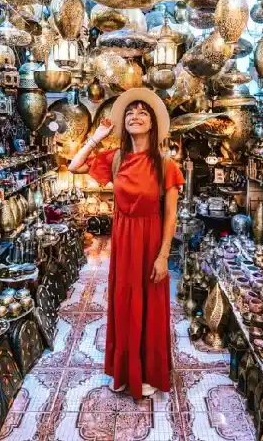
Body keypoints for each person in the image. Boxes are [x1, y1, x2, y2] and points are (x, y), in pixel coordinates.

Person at [68, 88, 184, 399]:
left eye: (142, 112)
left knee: (148, 307)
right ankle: (122, 370)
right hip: (123, 241)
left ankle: (146, 372)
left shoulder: (166, 165)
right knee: (123, 305)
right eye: (130, 112)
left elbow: (171, 216)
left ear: (152, 123)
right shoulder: (115, 157)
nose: (135, 116)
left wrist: (163, 256)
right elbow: (74, 166)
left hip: (151, 244)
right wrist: (98, 136)